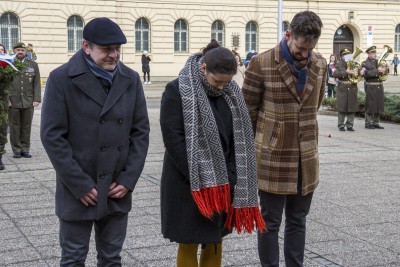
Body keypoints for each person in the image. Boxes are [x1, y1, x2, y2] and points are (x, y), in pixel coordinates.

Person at [40, 17, 150, 266]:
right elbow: (52, 136)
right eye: (107, 49)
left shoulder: (130, 79)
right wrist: (79, 185)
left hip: (116, 187)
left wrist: (128, 179)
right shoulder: (61, 78)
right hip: (79, 188)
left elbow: (141, 132)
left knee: (111, 258)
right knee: (73, 258)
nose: (114, 55)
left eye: (117, 49)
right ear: (86, 46)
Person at [160, 39, 265, 267]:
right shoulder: (177, 90)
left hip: (225, 179)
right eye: (217, 82)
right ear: (204, 68)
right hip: (188, 181)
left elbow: (239, 137)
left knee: (215, 239)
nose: (221, 87)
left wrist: (230, 174)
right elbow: (173, 139)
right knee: (188, 240)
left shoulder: (230, 92)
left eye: (226, 83)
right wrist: (202, 175)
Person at [242, 11, 326, 267]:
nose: (305, 54)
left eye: (310, 49)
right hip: (272, 157)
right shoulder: (262, 62)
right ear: (289, 35)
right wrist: (268, 139)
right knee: (269, 222)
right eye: (301, 48)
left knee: (298, 221)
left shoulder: (319, 63)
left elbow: (317, 103)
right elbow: (248, 112)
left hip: (306, 158)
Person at [8, 42, 41, 159]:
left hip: (28, 100)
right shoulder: (8, 64)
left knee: (27, 126)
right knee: (14, 126)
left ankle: (25, 149)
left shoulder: (33, 65)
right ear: (14, 51)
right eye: (18, 50)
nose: (20, 52)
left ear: (25, 51)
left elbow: (37, 83)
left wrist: (37, 98)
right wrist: (7, 99)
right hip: (13, 100)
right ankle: (16, 149)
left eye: (22, 50)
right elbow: (4, 83)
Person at [333, 48, 359, 131]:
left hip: (352, 87)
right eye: (345, 55)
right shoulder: (339, 64)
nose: (347, 56)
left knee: (352, 107)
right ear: (342, 56)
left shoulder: (354, 64)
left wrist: (358, 73)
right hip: (342, 88)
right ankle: (341, 125)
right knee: (342, 107)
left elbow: (357, 75)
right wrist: (346, 72)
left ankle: (350, 125)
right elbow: (335, 74)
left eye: (348, 54)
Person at [362, 46, 387, 129]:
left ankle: (376, 122)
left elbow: (383, 71)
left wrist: (386, 69)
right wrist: (377, 70)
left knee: (378, 104)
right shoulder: (364, 63)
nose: (374, 54)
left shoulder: (378, 61)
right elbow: (366, 74)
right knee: (370, 104)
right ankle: (368, 123)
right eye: (372, 53)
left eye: (375, 53)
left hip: (379, 85)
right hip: (371, 86)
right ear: (369, 54)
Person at [0, 44, 9, 169]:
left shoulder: (9, 66)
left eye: (2, 50)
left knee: (2, 129)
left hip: (3, 102)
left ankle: (0, 156)